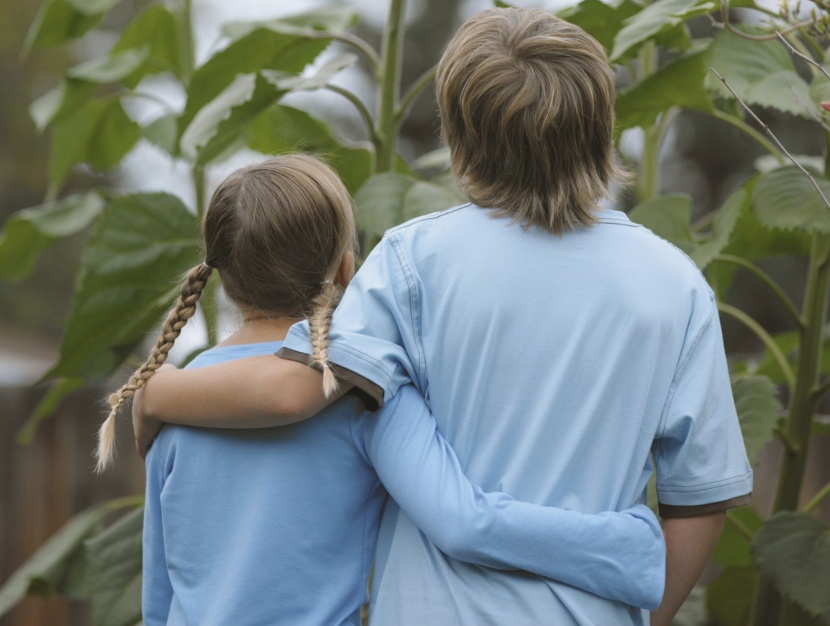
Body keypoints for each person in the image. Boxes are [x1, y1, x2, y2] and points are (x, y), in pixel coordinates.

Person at [134, 9, 753, 626]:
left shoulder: (412, 263)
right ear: (601, 127)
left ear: (459, 138)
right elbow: (699, 503)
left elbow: (294, 389)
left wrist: (155, 392)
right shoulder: (676, 285)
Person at [110, 154, 666, 626]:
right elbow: (464, 519)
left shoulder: (176, 399)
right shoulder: (359, 393)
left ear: (222, 277)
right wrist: (625, 550)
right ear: (346, 268)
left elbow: (160, 593)